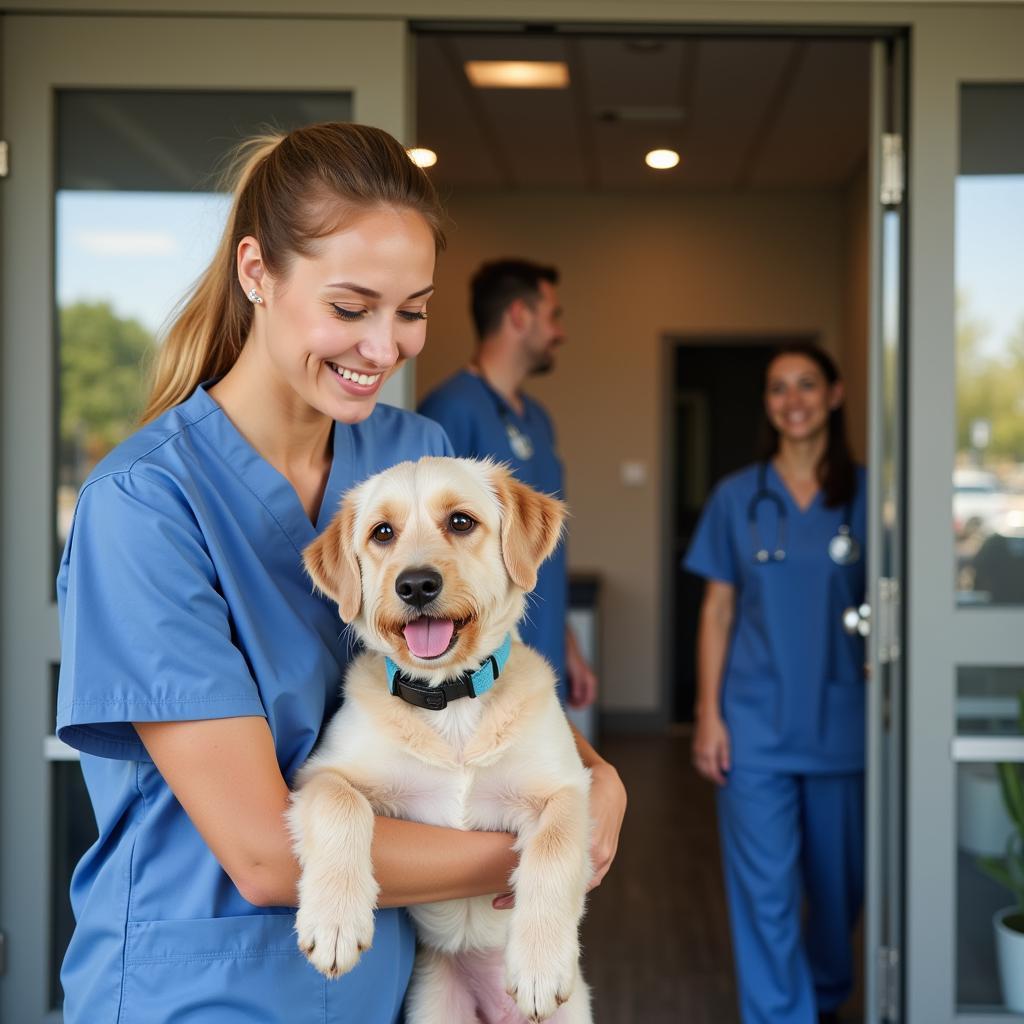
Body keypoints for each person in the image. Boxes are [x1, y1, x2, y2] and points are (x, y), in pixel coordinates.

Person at [55, 123, 625, 1023]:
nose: (385, 347)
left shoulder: (413, 455)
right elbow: (265, 855)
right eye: (351, 308)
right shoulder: (146, 507)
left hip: (388, 979)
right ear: (257, 273)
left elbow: (477, 682)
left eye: (412, 310)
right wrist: (556, 839)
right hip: (208, 981)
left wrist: (588, 771)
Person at [684, 342, 867, 1024]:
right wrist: (709, 714)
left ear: (836, 393)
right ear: (767, 404)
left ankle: (821, 996)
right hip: (754, 724)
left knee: (839, 887)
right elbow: (718, 609)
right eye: (778, 388)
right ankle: (780, 1014)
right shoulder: (738, 496)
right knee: (764, 892)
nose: (793, 400)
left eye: (807, 385)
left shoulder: (870, 495)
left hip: (843, 725)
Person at [418, 259, 597, 708]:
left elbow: (538, 555)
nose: (560, 333)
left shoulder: (538, 420)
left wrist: (567, 640)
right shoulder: (449, 412)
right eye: (553, 316)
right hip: (480, 670)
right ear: (519, 315)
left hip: (542, 651)